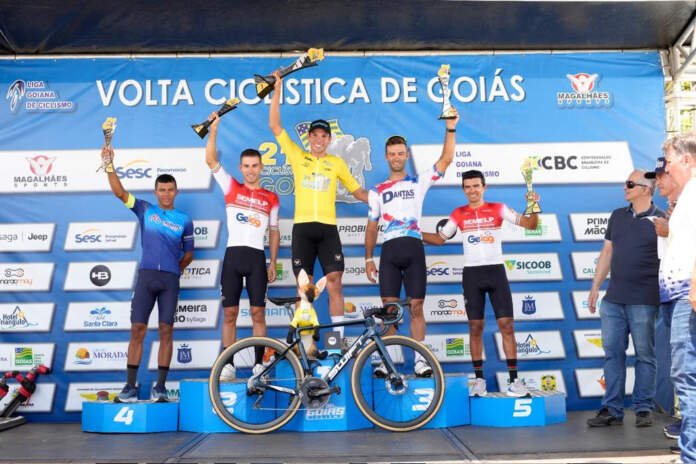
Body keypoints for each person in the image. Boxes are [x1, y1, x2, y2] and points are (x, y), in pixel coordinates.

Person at [422, 169, 539, 397]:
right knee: (475, 327)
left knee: (507, 325)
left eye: (476, 186)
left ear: (484, 187)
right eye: (467, 187)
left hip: (496, 272)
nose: (472, 190)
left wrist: (533, 205)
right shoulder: (458, 213)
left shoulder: (498, 208)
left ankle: (514, 380)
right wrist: (412, 231)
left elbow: (531, 225)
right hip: (472, 275)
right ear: (463, 190)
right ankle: (478, 380)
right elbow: (439, 239)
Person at [268, 71, 368, 336]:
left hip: (327, 230)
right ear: (309, 138)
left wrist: (384, 200)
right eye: (315, 135)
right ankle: (306, 343)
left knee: (335, 281)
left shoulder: (336, 163)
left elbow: (358, 192)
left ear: (329, 139)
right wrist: (277, 91)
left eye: (324, 136)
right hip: (302, 229)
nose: (319, 140)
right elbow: (275, 126)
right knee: (304, 286)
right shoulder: (297, 156)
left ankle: (337, 343)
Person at [365, 112, 459, 377]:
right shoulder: (377, 190)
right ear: (386, 157)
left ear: (406, 155)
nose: (396, 157)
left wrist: (450, 128)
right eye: (391, 154)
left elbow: (446, 159)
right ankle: (390, 363)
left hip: (414, 251)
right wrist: (368, 258)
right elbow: (371, 226)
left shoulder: (418, 182)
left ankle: (420, 361)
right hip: (390, 252)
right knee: (390, 312)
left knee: (417, 307)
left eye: (400, 153)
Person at [103, 145, 194, 403]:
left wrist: (174, 270)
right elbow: (119, 192)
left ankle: (161, 388)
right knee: (137, 329)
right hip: (146, 278)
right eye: (162, 190)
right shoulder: (145, 209)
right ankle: (130, 387)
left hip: (169, 280)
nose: (166, 193)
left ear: (176, 192)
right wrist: (109, 164)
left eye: (170, 189)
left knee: (166, 331)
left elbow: (189, 254)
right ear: (156, 192)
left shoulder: (185, 219)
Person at [586, 169, 664, 428]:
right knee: (612, 355)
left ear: (645, 189)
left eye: (630, 184)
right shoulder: (617, 215)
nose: (624, 187)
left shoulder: (662, 220)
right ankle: (612, 409)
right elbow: (607, 252)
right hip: (613, 300)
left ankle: (643, 409)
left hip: (644, 299)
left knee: (645, 356)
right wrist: (595, 286)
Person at [205, 113, 280, 380]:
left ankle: (259, 364)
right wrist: (214, 130)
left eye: (255, 166)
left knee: (258, 313)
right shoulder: (231, 187)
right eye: (246, 166)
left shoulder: (271, 197)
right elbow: (211, 160)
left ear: (261, 168)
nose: (250, 170)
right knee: (230, 313)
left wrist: (273, 261)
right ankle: (228, 364)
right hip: (233, 257)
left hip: (257, 258)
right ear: (240, 168)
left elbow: (274, 231)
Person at [660, 134, 696, 461]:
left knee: (687, 379)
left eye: (669, 160)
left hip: (689, 295)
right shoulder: (687, 196)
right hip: (680, 296)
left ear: (687, 159)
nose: (666, 168)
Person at [646, 157, 681, 439]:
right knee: (682, 365)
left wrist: (671, 229)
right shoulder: (676, 208)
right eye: (655, 176)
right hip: (671, 293)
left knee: (686, 363)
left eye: (662, 175)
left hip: (686, 294)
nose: (658, 181)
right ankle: (688, 420)